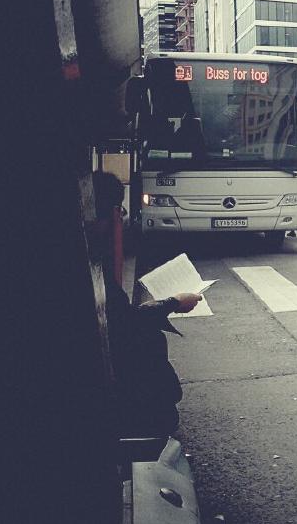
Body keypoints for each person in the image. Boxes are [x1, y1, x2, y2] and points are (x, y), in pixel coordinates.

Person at [89, 171, 201, 438]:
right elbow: (122, 327)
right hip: (124, 387)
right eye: (121, 212)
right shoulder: (91, 265)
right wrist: (173, 302)